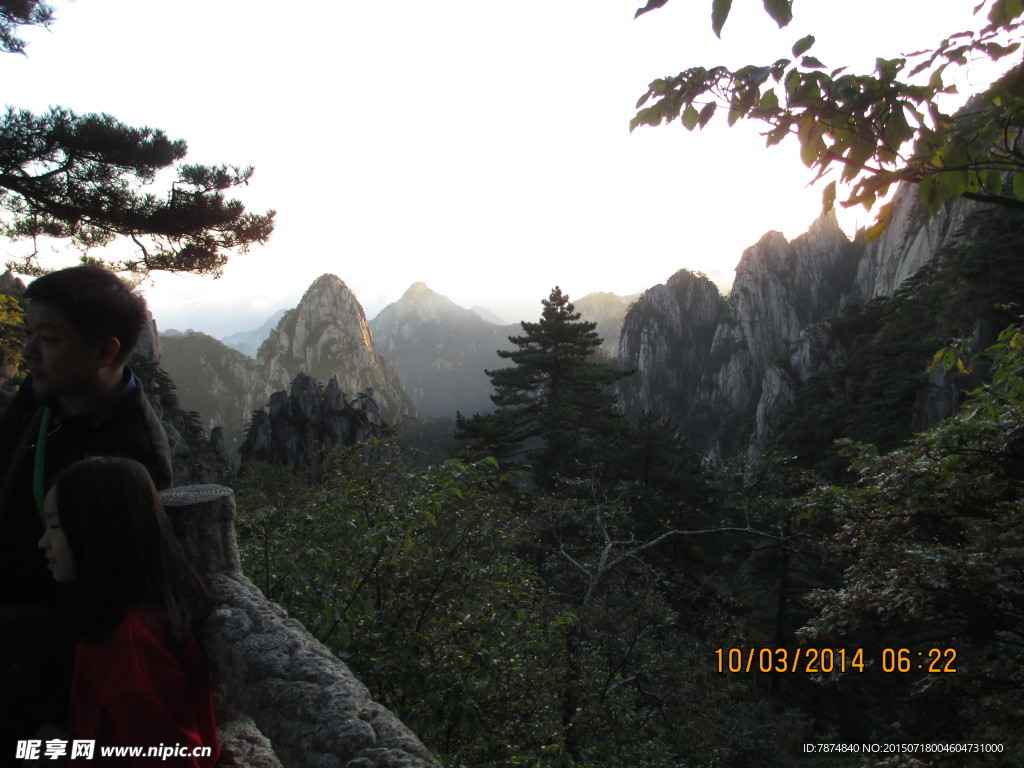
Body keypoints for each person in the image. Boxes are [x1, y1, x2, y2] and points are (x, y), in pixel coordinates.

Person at [0, 265, 174, 751]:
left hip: (38, 678)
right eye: (29, 334)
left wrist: (59, 718)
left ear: (106, 351)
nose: (29, 352)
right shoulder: (43, 399)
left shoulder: (130, 458)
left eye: (48, 339)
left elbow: (109, 598)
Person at [37, 456, 218, 766]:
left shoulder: (129, 647)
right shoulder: (129, 622)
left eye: (55, 525)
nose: (43, 542)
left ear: (97, 530)